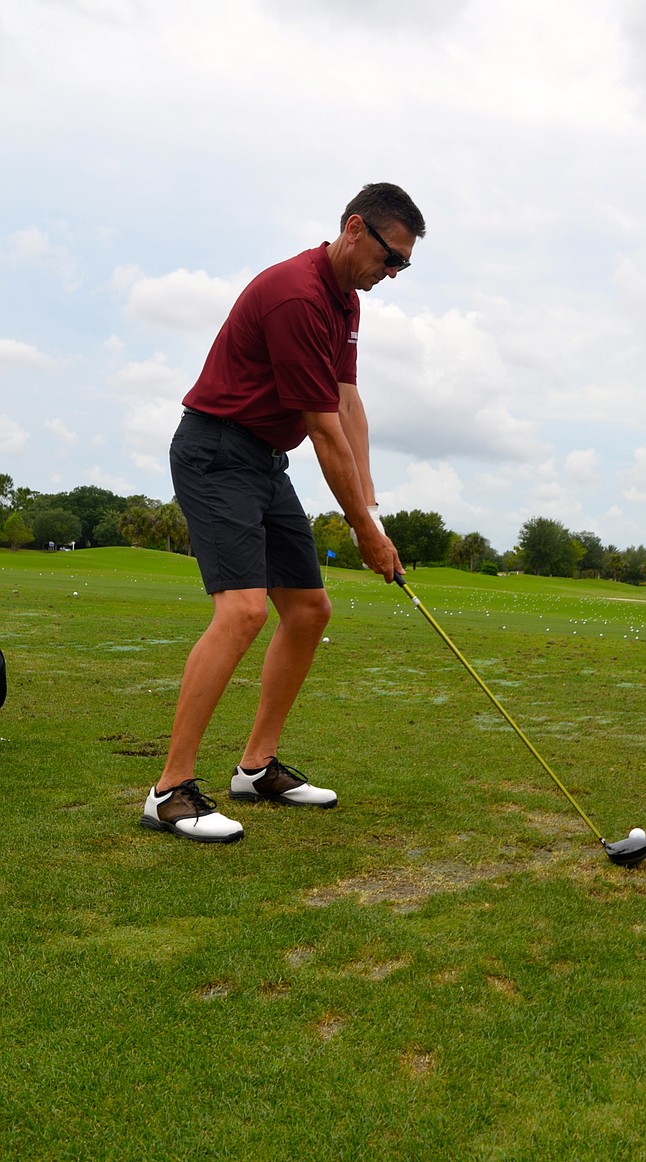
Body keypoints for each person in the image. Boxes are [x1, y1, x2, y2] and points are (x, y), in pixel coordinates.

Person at [140, 182, 426, 843]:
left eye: (404, 265)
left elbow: (348, 403)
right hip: (216, 450)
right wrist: (363, 532)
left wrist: (371, 505)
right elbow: (323, 430)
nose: (393, 274)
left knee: (308, 608)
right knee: (241, 609)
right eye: (391, 258)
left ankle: (255, 767)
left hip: (265, 461)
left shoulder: (346, 303)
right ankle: (168, 790)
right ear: (354, 228)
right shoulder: (298, 296)